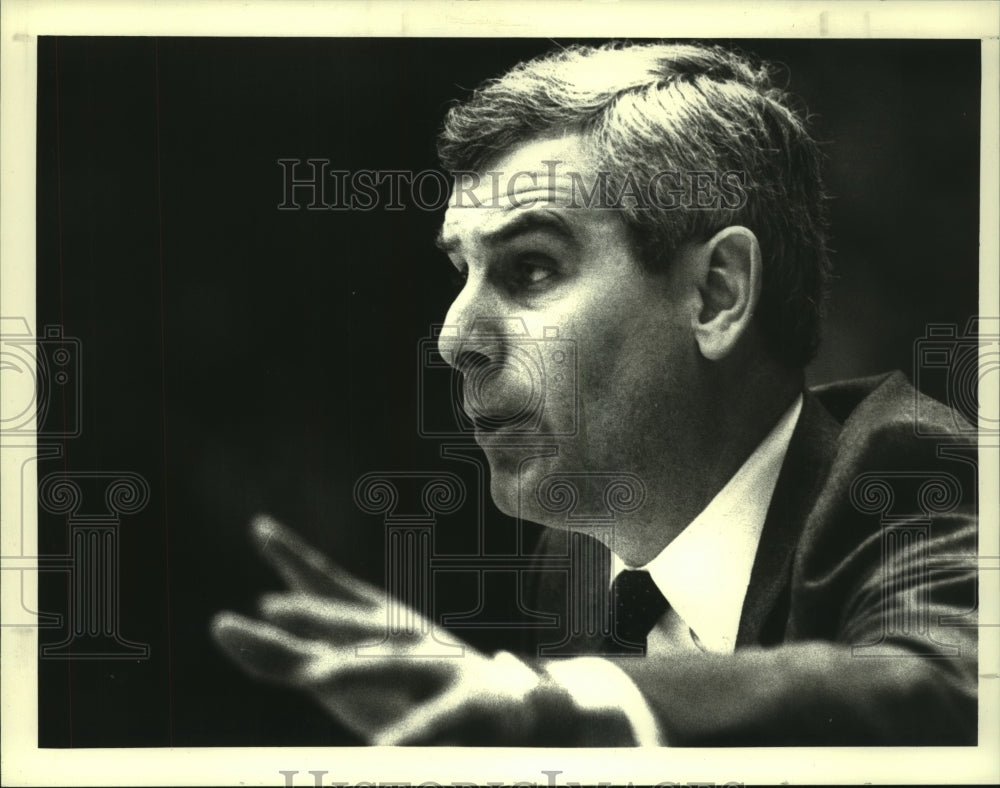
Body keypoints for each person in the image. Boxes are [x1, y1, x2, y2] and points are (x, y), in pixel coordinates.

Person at [211, 41, 978, 746]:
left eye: (530, 269)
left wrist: (559, 708)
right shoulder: (578, 563)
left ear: (716, 294)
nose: (454, 339)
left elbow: (956, 692)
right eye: (461, 273)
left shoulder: (908, 472)